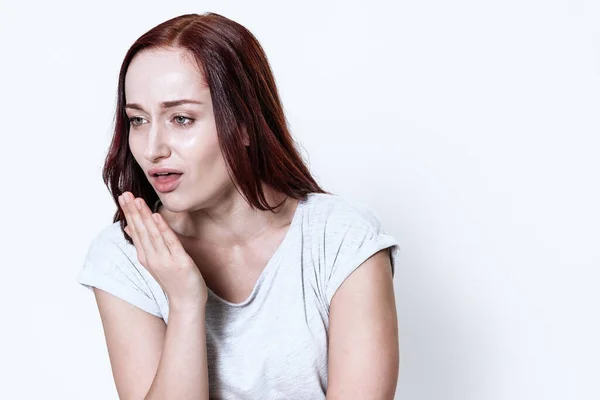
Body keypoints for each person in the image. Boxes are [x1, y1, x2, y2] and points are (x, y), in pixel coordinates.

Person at [77, 12, 401, 400]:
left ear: (245, 123)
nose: (152, 149)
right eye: (138, 120)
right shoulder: (124, 257)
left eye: (181, 118)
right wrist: (184, 304)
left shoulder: (342, 241)